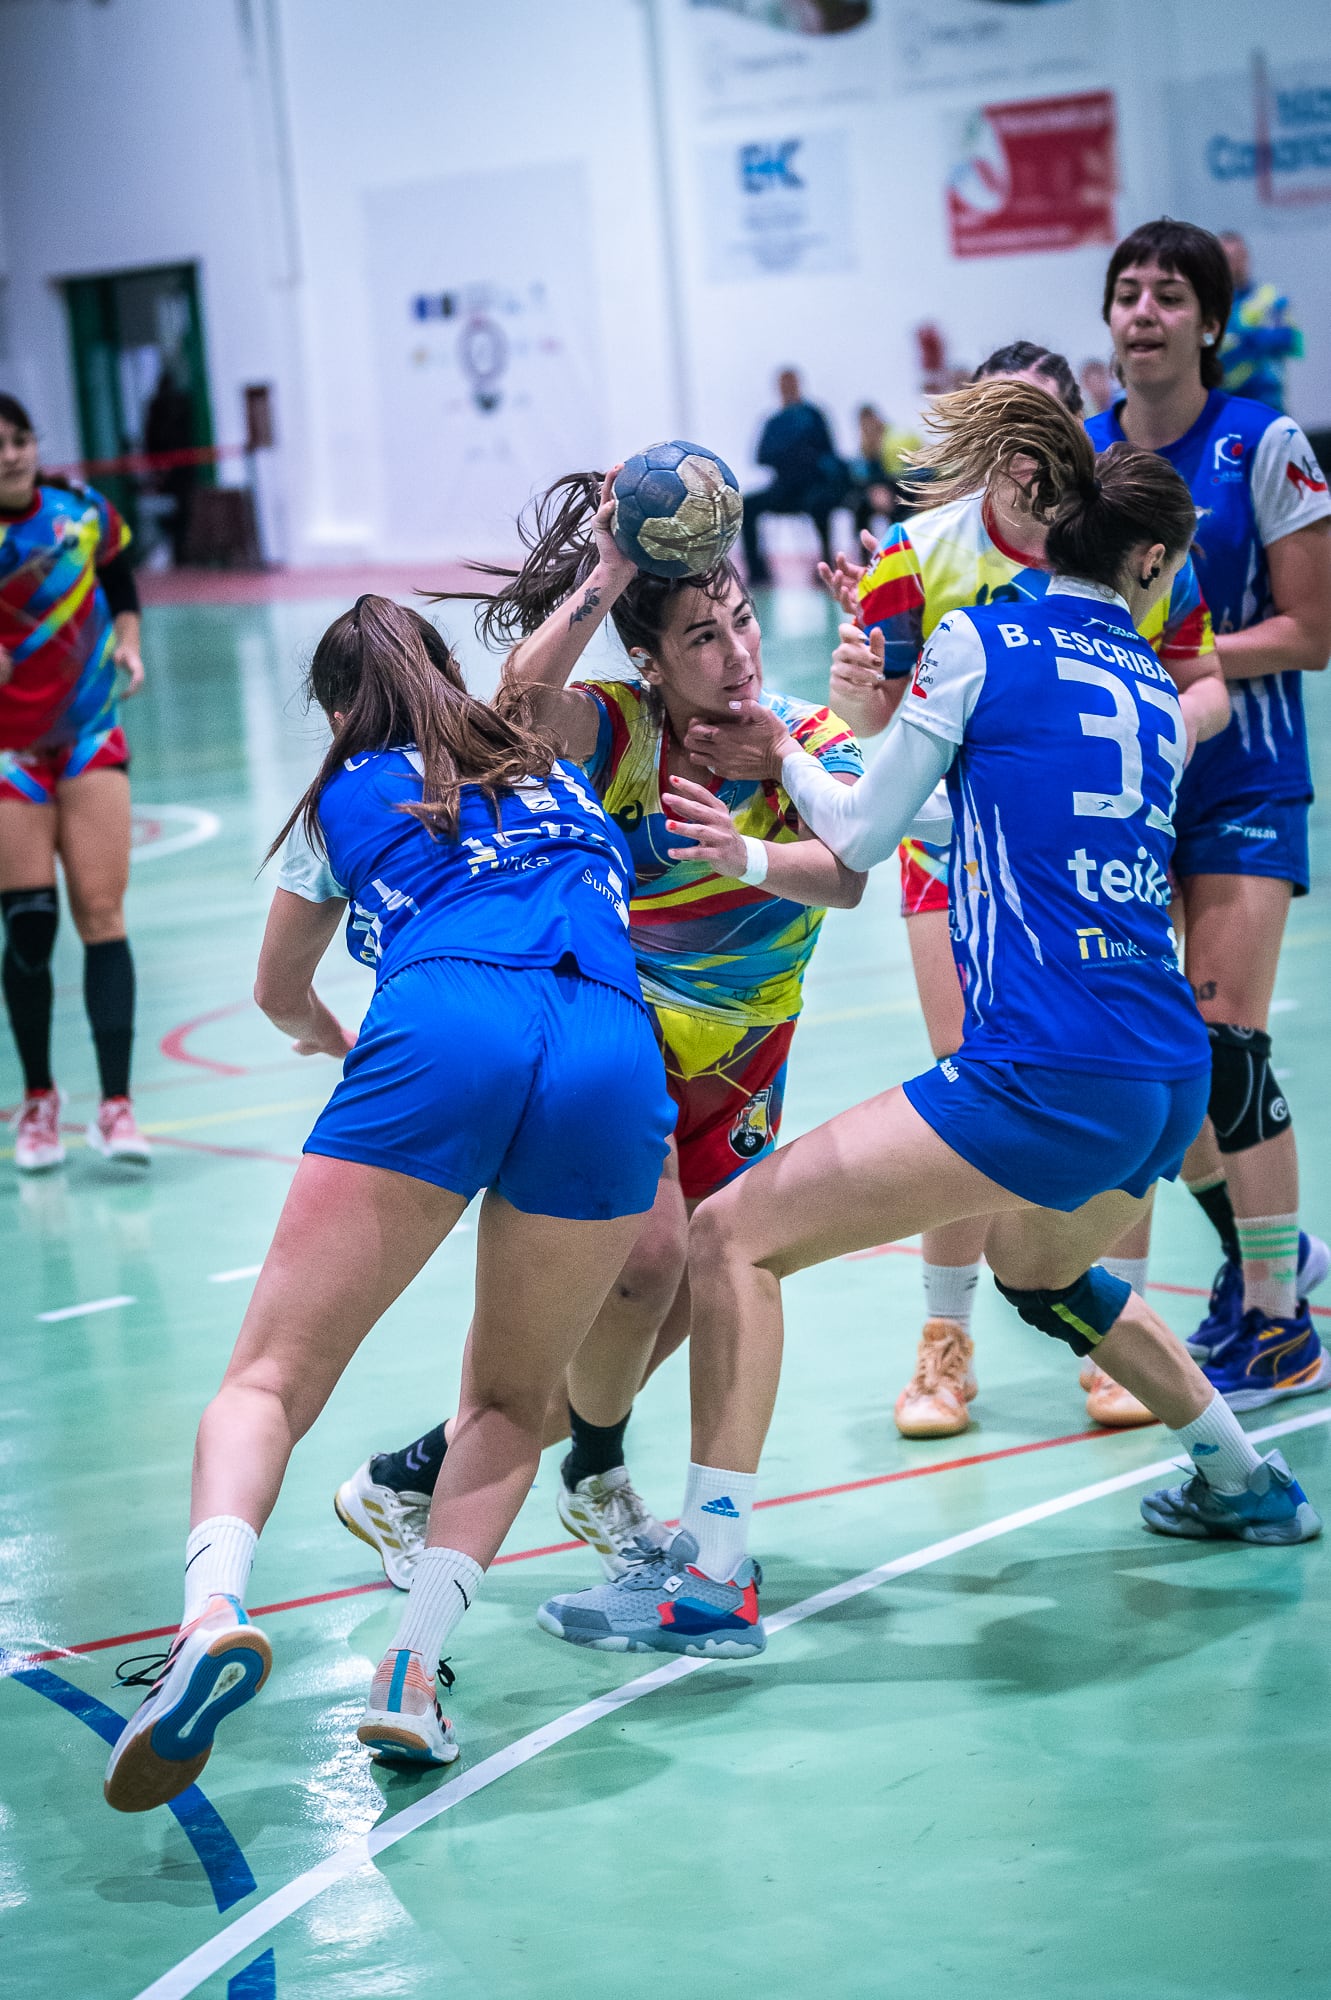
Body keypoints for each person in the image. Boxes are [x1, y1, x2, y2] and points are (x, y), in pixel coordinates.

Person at [535, 379, 1321, 1665]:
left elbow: (856, 833)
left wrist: (776, 770)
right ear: (1130, 557)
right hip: (1167, 1068)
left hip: (1038, 1070)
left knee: (732, 1238)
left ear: (1022, 508)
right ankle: (1244, 1479)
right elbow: (990, 821)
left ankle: (712, 1576)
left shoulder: (980, 643)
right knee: (1049, 1269)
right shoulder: (1141, 677)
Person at [102, 594, 676, 1809]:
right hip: (612, 1040)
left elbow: (277, 991)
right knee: (513, 1401)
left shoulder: (343, 796)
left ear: (331, 709)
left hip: (443, 1018)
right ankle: (409, 1672)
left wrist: (333, 1036)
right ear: (442, 671)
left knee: (266, 1379)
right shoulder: (550, 755)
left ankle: (211, 1612)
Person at [332, 471, 863, 1592]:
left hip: (751, 1061)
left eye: (741, 623)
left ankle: (424, 1465)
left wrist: (761, 827)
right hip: (628, 1050)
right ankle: (596, 1468)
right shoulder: (627, 735)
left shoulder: (806, 739)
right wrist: (608, 573)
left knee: (674, 1291)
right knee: (655, 1258)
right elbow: (520, 697)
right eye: (701, 637)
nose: (735, 653)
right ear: (654, 665)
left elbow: (851, 874)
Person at [814, 341, 1223, 1435]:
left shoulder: (1124, 544)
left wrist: (1148, 755)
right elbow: (881, 728)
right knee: (971, 1085)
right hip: (946, 850)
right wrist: (856, 703)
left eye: (1059, 429)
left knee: (1116, 1080)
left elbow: (1198, 679)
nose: (1039, 457)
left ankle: (1107, 1335)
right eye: (1021, 435)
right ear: (992, 446)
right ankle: (943, 1345)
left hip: (1088, 844)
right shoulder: (914, 554)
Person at [1090, 218, 1331, 1408]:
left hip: (1241, 781)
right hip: (1120, 801)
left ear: (1208, 322)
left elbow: (1312, 629)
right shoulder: (1076, 457)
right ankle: (1262, 1256)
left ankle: (1282, 1325)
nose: (1143, 312)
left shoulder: (1259, 446)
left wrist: (1169, 656)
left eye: (1167, 294)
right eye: (1126, 292)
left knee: (1226, 1044)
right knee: (1167, 1064)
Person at [0, 392, 150, 1170]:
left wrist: (127, 644)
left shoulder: (82, 513)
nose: (10, 454)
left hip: (90, 731)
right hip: (9, 752)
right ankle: (39, 1101)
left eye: (19, 439)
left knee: (102, 912)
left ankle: (117, 1108)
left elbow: (121, 585)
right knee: (29, 924)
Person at [741, 369, 847, 585]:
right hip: (783, 489)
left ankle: (825, 564)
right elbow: (760, 456)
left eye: (791, 383)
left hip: (811, 486)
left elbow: (830, 452)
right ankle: (758, 572)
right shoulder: (773, 421)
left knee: (821, 503)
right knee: (746, 504)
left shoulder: (814, 415)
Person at [1218, 232, 1304, 414]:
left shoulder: (1270, 297)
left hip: (1267, 399)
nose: (1233, 264)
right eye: (1226, 258)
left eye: (1237, 257)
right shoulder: (1208, 306)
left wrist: (1248, 340)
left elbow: (1292, 340)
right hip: (1224, 402)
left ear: (1246, 257)